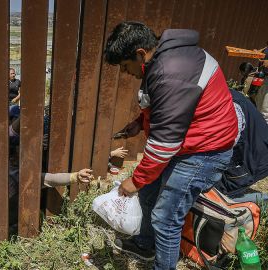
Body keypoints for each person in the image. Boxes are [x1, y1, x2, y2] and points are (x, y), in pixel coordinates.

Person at [104, 21, 238, 269]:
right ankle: (146, 245)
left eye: (125, 66)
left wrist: (134, 180)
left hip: (204, 151)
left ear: (140, 54)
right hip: (187, 142)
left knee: (165, 218)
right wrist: (139, 123)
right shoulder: (164, 58)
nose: (126, 73)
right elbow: (170, 111)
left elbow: (165, 143)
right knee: (147, 193)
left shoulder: (169, 71)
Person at [214, 89, 268, 203]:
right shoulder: (218, 94)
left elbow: (229, 145)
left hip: (253, 155)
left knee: (220, 196)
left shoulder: (227, 103)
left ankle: (262, 201)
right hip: (248, 148)